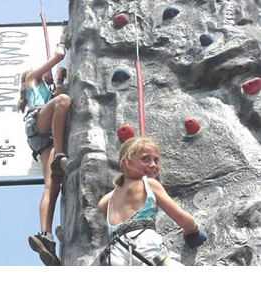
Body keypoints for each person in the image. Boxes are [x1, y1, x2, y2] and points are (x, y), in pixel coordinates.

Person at [97, 136, 207, 266]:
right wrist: (192, 229)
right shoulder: (149, 184)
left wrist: (124, 180)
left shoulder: (112, 196)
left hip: (115, 254)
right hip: (144, 246)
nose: (153, 164)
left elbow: (101, 206)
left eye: (156, 160)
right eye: (145, 159)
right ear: (125, 162)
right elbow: (180, 216)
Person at [18, 32, 71, 266]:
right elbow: (59, 55)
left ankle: (46, 236)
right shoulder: (32, 77)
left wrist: (59, 84)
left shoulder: (46, 90)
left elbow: (57, 106)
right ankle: (60, 156)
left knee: (53, 185)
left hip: (44, 134)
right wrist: (63, 39)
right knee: (63, 102)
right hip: (37, 122)